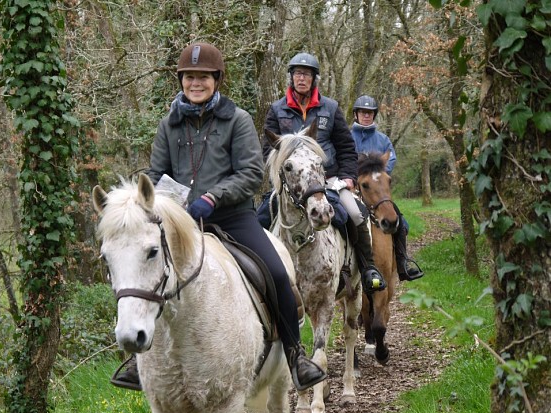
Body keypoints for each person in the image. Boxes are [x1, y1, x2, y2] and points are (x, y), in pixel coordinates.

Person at [111, 42, 327, 393]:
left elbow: (250, 172)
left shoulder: (237, 119)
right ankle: (139, 361)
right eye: (189, 77)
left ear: (216, 79)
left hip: (231, 218)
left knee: (274, 272)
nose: (196, 83)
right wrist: (163, 203)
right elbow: (156, 172)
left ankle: (295, 355)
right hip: (181, 221)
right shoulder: (169, 124)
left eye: (203, 77)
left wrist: (214, 196)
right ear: (181, 80)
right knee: (141, 269)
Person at [261, 52, 387, 294]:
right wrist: (280, 178)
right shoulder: (277, 110)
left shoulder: (330, 108)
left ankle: (367, 267)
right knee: (260, 219)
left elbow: (346, 147)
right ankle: (259, 276)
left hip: (328, 181)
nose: (301, 78)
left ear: (314, 79)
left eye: (306, 74)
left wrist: (349, 177)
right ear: (291, 77)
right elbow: (268, 151)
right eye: (297, 73)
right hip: (292, 184)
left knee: (355, 214)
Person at [351, 95, 424, 281]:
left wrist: (377, 176)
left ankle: (402, 264)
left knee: (401, 223)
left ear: (374, 115)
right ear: (356, 114)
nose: (366, 116)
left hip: (377, 192)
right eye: (362, 112)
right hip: (353, 189)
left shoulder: (382, 139)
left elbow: (390, 158)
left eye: (369, 113)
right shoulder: (347, 137)